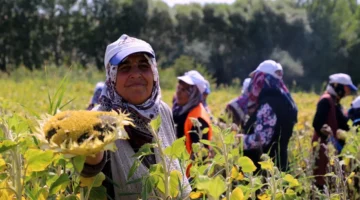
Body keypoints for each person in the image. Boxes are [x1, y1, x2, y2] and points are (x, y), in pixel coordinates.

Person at [81, 34, 191, 199]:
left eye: (143, 65)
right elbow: (88, 168)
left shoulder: (162, 111)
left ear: (153, 72)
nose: (136, 74)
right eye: (125, 67)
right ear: (112, 76)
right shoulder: (98, 119)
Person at [239, 60, 297, 172]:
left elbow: (262, 139)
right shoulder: (286, 101)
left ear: (262, 79)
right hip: (280, 164)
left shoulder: (269, 104)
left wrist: (240, 140)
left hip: (266, 170)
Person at [312, 73, 357, 189]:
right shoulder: (326, 101)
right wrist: (327, 133)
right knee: (321, 179)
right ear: (338, 86)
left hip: (331, 146)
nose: (347, 92)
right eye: (346, 89)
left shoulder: (335, 102)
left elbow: (343, 122)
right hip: (323, 147)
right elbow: (317, 123)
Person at [172, 71, 212, 154]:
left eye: (183, 90)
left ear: (194, 94)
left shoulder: (198, 119)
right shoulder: (180, 111)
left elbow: (201, 155)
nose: (178, 92)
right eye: (178, 88)